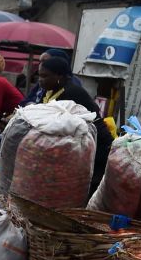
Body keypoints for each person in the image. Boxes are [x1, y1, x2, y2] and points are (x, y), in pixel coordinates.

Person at [31, 54, 113, 194]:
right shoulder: (50, 91)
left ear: (60, 76)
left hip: (96, 143)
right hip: (77, 141)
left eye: (45, 76)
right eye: (39, 76)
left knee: (88, 184)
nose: (40, 80)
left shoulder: (72, 92)